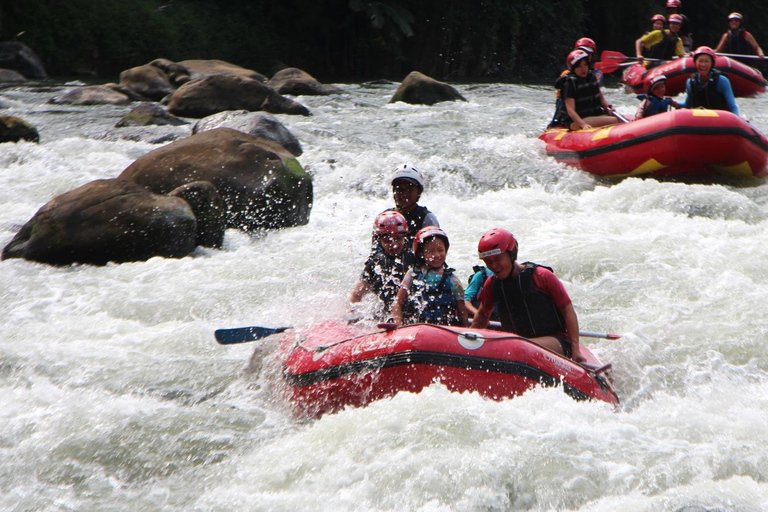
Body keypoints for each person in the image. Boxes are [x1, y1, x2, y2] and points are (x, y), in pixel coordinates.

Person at [470, 228, 584, 362]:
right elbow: (483, 316)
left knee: (520, 346)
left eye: (498, 258)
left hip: (556, 341)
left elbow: (568, 310)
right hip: (516, 346)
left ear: (511, 254)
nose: (494, 266)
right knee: (517, 346)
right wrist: (467, 339)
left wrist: (575, 350)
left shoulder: (542, 276)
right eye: (488, 261)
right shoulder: (492, 284)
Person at [391, 226, 468, 327]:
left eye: (440, 250)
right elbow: (397, 303)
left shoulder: (453, 279)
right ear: (421, 253)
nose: (436, 255)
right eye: (431, 251)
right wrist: (398, 325)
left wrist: (466, 330)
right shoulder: (412, 274)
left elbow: (462, 309)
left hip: (444, 330)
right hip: (416, 329)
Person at [348, 210, 416, 320]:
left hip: (412, 315)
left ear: (405, 237)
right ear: (379, 240)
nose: (393, 244)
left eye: (398, 239)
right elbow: (356, 295)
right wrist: (350, 315)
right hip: (386, 316)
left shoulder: (415, 258)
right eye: (387, 240)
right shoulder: (376, 263)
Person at [550, 49, 619, 131]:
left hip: (594, 116)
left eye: (585, 65)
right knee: (616, 120)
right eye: (579, 66)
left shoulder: (591, 77)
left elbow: (601, 99)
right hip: (576, 121)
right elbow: (570, 110)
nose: (583, 69)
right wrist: (583, 125)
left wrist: (608, 107)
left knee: (621, 118)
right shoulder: (570, 83)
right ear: (573, 68)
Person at [683, 46, 739, 115]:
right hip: (699, 120)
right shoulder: (690, 82)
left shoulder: (722, 81)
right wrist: (674, 103)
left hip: (720, 119)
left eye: (707, 61)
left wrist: (737, 118)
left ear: (712, 64)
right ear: (695, 63)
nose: (703, 65)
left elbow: (732, 106)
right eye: (700, 61)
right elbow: (687, 105)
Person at [389, 164, 439, 241]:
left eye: (409, 190)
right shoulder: (385, 219)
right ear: (394, 191)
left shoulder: (427, 219)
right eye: (399, 189)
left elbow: (435, 250)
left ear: (419, 191)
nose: (404, 194)